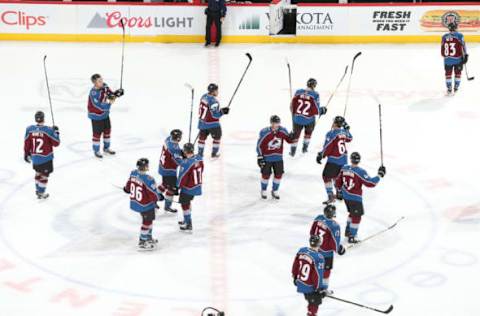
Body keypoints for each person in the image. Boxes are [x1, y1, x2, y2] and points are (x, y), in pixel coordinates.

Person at [335, 152, 386, 243]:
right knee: (357, 216)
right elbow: (371, 183)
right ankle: (352, 236)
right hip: (355, 198)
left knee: (352, 213)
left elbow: (337, 181)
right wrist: (380, 175)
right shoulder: (360, 172)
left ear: (351, 159)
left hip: (346, 196)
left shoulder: (344, 168)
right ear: (359, 160)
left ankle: (348, 231)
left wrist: (339, 192)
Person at [123, 158, 164, 251]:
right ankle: (142, 241)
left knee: (149, 220)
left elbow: (128, 185)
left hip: (136, 203)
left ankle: (148, 238)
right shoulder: (148, 179)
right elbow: (153, 194)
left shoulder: (133, 173)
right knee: (147, 222)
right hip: (145, 205)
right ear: (146, 167)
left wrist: (126, 189)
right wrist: (160, 197)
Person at [24, 111, 60, 199]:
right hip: (46, 158)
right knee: (44, 175)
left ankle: (38, 189)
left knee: (38, 172)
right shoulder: (48, 130)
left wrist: (26, 154)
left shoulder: (30, 129)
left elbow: (26, 143)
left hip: (35, 158)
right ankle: (41, 192)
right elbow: (56, 143)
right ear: (43, 118)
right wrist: (56, 132)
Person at [316, 116, 352, 204]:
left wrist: (321, 155)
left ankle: (331, 196)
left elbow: (328, 146)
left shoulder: (331, 133)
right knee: (337, 176)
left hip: (334, 161)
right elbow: (350, 138)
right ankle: (339, 193)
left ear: (335, 123)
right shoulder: (344, 132)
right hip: (343, 160)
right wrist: (347, 129)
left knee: (326, 176)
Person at [256, 115, 294, 199]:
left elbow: (289, 140)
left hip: (278, 158)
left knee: (278, 175)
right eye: (273, 123)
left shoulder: (282, 131)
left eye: (277, 123)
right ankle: (264, 190)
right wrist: (260, 157)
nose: (275, 125)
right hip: (267, 158)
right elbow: (259, 145)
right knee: (265, 175)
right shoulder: (265, 132)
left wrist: (292, 137)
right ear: (271, 123)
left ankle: (275, 190)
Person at [310, 204, 346, 293]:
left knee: (316, 268)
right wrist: (340, 249)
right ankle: (323, 289)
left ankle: (314, 284)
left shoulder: (318, 217)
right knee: (326, 271)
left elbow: (312, 231)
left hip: (315, 248)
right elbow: (334, 242)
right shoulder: (334, 225)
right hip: (326, 253)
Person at [88, 73, 124, 158]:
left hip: (105, 114)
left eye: (102, 80)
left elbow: (110, 94)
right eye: (99, 81)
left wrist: (117, 93)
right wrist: (109, 103)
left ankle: (106, 148)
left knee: (107, 130)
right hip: (96, 116)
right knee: (97, 133)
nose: (102, 82)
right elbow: (99, 106)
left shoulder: (105, 86)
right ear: (95, 83)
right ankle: (96, 150)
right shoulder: (93, 93)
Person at [289, 78, 327, 157]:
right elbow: (316, 110)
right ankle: (304, 149)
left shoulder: (298, 92)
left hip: (297, 119)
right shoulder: (315, 95)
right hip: (308, 120)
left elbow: (291, 107)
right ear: (314, 85)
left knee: (295, 136)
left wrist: (294, 115)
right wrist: (322, 110)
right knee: (308, 134)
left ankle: (292, 152)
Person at [291, 235, 327, 316]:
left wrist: (295, 276)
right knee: (315, 303)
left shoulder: (302, 251)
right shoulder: (319, 257)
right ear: (319, 244)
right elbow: (317, 275)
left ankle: (310, 312)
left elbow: (295, 265)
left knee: (311, 301)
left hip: (300, 282)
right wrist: (319, 288)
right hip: (310, 286)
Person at [177, 143, 204, 231]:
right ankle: (186, 220)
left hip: (188, 188)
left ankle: (188, 223)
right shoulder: (199, 158)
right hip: (197, 186)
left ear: (185, 151)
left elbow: (182, 177)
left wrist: (177, 187)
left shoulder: (186, 163)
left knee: (184, 205)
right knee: (187, 203)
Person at [197, 83, 229, 158]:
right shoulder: (213, 101)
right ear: (213, 91)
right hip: (212, 124)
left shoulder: (204, 96)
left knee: (202, 139)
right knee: (217, 137)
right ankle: (214, 153)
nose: (218, 92)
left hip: (202, 123)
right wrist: (223, 112)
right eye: (217, 90)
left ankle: (200, 154)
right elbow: (215, 115)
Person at [158, 129, 183, 213]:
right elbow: (178, 162)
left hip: (163, 167)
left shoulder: (168, 139)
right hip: (169, 171)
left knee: (165, 184)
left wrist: (181, 152)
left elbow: (174, 153)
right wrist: (186, 157)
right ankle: (167, 206)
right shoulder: (174, 148)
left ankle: (156, 195)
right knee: (172, 189)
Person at [441, 21, 468, 95]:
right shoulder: (459, 35)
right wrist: (465, 55)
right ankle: (456, 87)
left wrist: (445, 56)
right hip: (457, 59)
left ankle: (449, 89)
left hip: (447, 60)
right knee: (458, 73)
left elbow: (442, 48)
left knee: (448, 74)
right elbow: (463, 46)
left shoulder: (444, 36)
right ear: (455, 27)